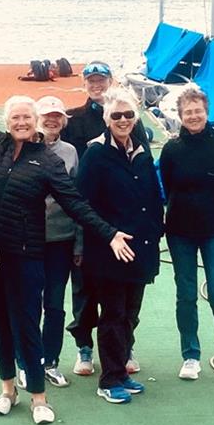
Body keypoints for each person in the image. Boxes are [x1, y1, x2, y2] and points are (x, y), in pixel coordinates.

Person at [0, 46, 134, 425]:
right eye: (16, 117)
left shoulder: (47, 162)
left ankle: (39, 398)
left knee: (27, 323)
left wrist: (108, 234)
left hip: (25, 256)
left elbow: (76, 203)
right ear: (7, 120)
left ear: (37, 122)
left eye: (27, 117)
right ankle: (8, 389)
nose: (22, 122)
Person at [76, 89, 164, 404]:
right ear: (106, 119)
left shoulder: (140, 150)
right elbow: (82, 204)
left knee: (129, 313)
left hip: (139, 248)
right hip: (109, 251)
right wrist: (108, 234)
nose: (123, 120)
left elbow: (152, 195)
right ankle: (109, 377)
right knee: (112, 314)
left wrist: (156, 231)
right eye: (116, 116)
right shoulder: (96, 154)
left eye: (128, 115)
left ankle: (122, 371)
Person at [61, 61, 149, 376]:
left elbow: (145, 172)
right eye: (91, 80)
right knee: (85, 291)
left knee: (127, 295)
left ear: (110, 81)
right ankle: (85, 347)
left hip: (124, 223)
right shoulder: (74, 121)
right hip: (90, 220)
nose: (96, 85)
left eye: (101, 80)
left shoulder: (132, 123)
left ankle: (124, 346)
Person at [159, 86, 214, 384]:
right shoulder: (172, 149)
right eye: (188, 112)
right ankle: (191, 355)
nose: (193, 116)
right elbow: (168, 187)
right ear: (181, 116)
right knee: (186, 295)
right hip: (180, 232)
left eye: (198, 111)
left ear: (206, 112)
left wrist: (210, 210)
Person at [15, 96, 80, 390]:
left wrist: (79, 243)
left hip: (61, 240)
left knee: (54, 305)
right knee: (27, 303)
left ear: (63, 121)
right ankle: (26, 362)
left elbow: (78, 199)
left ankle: (50, 361)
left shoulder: (70, 152)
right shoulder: (22, 149)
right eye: (46, 116)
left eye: (57, 116)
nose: (51, 120)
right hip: (28, 241)